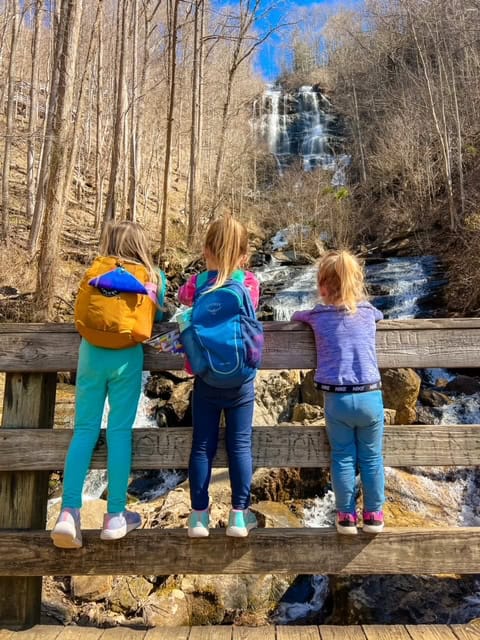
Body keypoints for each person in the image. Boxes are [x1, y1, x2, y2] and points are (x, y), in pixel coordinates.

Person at [51, 221, 167, 548]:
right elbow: (157, 317)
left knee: (84, 430)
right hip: (127, 358)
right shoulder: (153, 276)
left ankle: (68, 512)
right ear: (142, 246)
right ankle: (115, 515)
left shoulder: (95, 269)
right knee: (119, 433)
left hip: (90, 354)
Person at [292, 250, 385, 535]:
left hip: (337, 399)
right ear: (357, 283)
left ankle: (346, 516)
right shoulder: (369, 312)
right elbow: (380, 314)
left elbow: (297, 315)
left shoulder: (317, 315)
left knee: (343, 456)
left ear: (322, 287)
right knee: (371, 457)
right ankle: (374, 514)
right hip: (370, 397)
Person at [178, 216, 260, 538]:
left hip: (206, 376)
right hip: (241, 381)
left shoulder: (197, 284)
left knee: (202, 446)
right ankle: (239, 515)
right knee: (240, 445)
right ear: (244, 255)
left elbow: (184, 300)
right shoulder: (249, 283)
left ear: (205, 250)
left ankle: (199, 516)